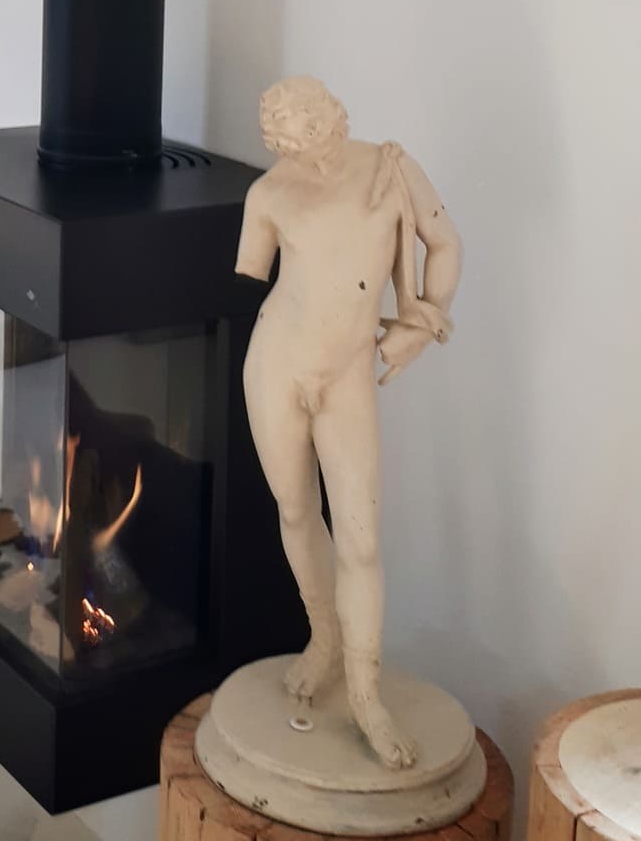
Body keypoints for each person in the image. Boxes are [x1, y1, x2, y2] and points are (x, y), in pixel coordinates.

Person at [236, 76, 462, 769]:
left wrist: (422, 323)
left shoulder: (389, 168)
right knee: (296, 510)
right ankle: (325, 638)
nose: (305, 147)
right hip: (276, 364)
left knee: (360, 542)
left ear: (331, 117)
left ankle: (366, 694)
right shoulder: (268, 195)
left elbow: (444, 243)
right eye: (287, 140)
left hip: (347, 376)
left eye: (311, 130)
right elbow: (259, 276)